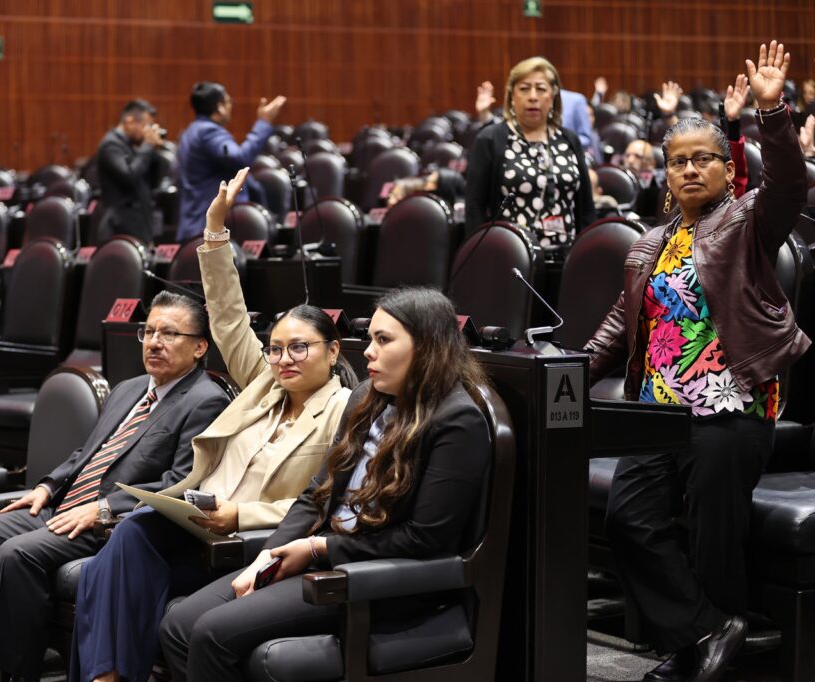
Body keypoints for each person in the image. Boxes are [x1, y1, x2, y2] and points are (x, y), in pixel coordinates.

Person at [71, 167, 356, 682]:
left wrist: (240, 515)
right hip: (195, 521)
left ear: (333, 351)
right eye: (275, 349)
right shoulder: (265, 382)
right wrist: (215, 231)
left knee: (127, 560)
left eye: (300, 348)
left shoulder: (343, 409)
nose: (284, 359)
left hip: (243, 538)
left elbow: (320, 499)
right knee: (130, 537)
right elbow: (227, 314)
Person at [586, 42, 809, 682]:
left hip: (730, 406)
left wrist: (771, 113)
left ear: (726, 169)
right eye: (677, 161)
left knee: (713, 529)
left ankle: (701, 657)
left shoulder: (747, 224)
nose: (688, 170)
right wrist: (572, 363)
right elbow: (620, 321)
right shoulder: (651, 241)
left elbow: (791, 182)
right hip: (658, 409)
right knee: (628, 519)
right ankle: (706, 632)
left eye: (702, 160)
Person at [158, 286, 494, 682]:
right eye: (371, 338)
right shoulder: (368, 397)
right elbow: (314, 495)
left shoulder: (457, 421)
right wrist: (266, 558)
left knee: (211, 633)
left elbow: (425, 540)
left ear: (427, 347)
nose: (368, 351)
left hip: (379, 581)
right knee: (178, 624)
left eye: (384, 340)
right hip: (326, 557)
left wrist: (319, 547)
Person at [0, 291, 231, 682]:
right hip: (65, 502)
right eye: (148, 332)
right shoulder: (130, 389)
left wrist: (104, 509)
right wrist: (48, 487)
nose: (154, 342)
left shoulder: (205, 400)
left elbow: (179, 483)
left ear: (200, 346)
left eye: (169, 334)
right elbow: (88, 450)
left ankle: (15, 671)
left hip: (111, 522)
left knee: (19, 554)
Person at [465, 57, 596, 244]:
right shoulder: (490, 139)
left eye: (541, 89)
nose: (533, 96)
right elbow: (475, 208)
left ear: (553, 96)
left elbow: (586, 208)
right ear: (512, 96)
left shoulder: (569, 139)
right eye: (524, 88)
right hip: (510, 257)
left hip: (568, 257)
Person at [175, 82, 285, 241]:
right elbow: (240, 158)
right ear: (220, 107)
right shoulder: (209, 132)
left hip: (194, 222)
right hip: (210, 226)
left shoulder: (190, 131)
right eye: (228, 102)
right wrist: (264, 122)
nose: (230, 107)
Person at [96, 99, 164, 244]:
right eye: (146, 125)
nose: (148, 131)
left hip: (140, 222)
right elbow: (129, 175)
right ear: (129, 121)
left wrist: (155, 150)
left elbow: (154, 181)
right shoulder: (111, 145)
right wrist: (147, 146)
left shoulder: (134, 145)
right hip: (121, 226)